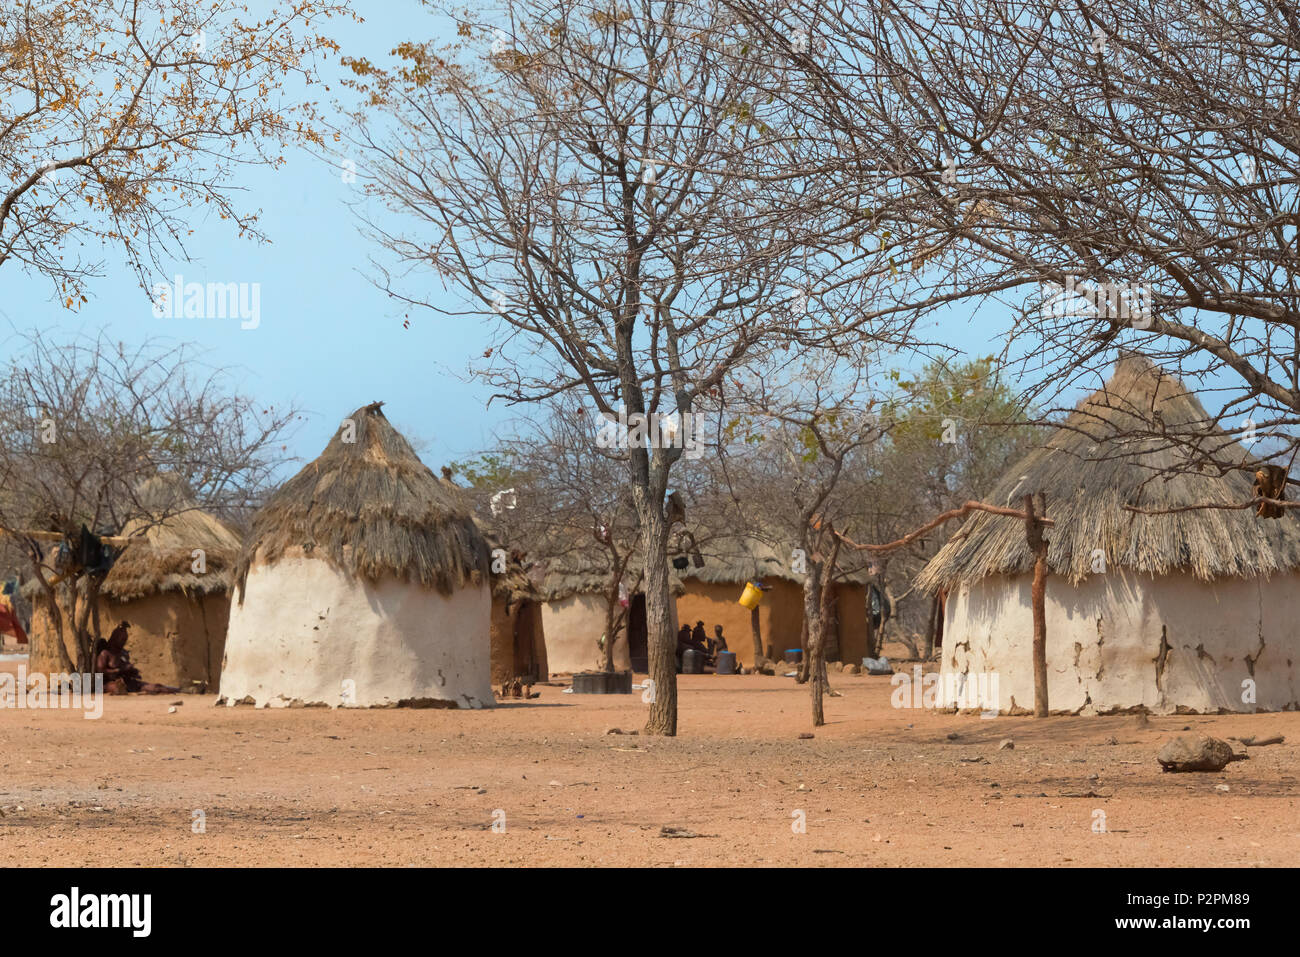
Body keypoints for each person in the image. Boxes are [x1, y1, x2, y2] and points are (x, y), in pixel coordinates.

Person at [96, 622, 178, 695]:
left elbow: (127, 670)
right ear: (114, 638)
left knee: (156, 687)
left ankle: (180, 690)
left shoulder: (123, 653)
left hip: (128, 682)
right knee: (116, 687)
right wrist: (118, 670)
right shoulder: (105, 653)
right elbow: (100, 671)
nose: (123, 642)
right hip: (108, 683)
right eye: (121, 639)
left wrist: (133, 671)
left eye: (125, 639)